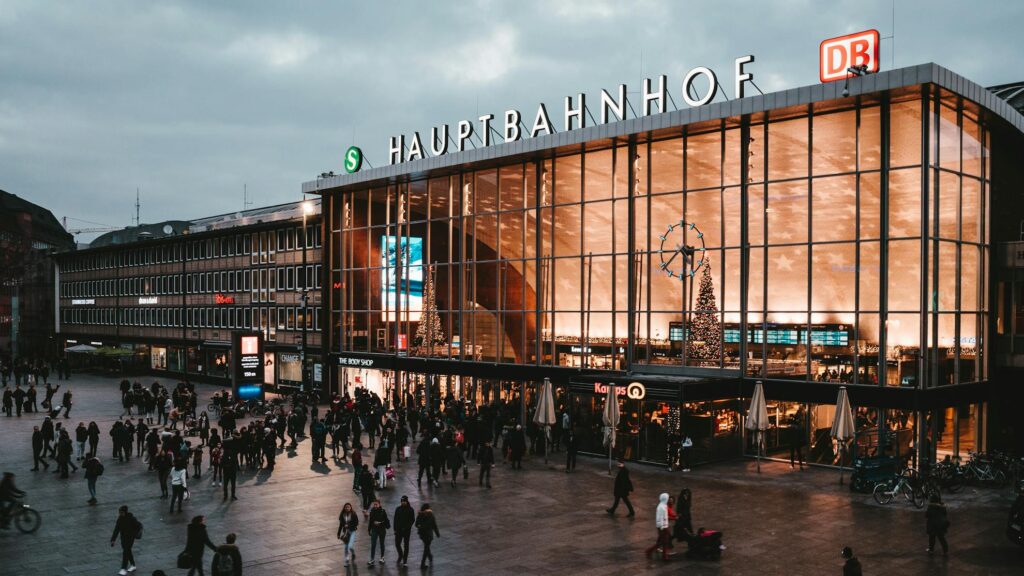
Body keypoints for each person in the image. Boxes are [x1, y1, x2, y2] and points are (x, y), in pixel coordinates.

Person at [110, 505, 141, 575]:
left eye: (121, 512)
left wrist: (134, 534)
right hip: (123, 538)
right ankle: (133, 565)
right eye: (119, 512)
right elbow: (116, 530)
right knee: (128, 551)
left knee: (126, 552)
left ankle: (123, 568)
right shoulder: (120, 519)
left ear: (125, 512)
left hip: (130, 538)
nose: (120, 514)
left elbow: (138, 526)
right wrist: (113, 539)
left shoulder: (131, 518)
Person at [645, 493, 672, 561]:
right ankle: (649, 550)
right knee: (663, 541)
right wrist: (662, 527)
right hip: (662, 527)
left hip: (664, 526)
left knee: (665, 541)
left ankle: (664, 555)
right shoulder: (661, 507)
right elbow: (659, 518)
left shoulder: (664, 506)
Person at [415, 503, 440, 569]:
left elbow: (416, 524)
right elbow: (434, 524)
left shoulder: (420, 514)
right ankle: (422, 564)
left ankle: (430, 556)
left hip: (422, 535)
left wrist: (420, 526)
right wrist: (437, 533)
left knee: (426, 547)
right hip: (428, 535)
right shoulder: (431, 515)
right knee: (426, 548)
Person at [393, 495, 416, 567]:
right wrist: (395, 529)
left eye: (404, 501)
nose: (403, 503)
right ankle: (401, 555)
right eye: (402, 501)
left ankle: (405, 560)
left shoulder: (411, 509)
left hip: (406, 531)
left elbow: (412, 520)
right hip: (399, 530)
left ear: (407, 501)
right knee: (397, 544)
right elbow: (395, 520)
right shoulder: (398, 509)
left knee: (406, 545)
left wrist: (407, 527)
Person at [367, 498, 391, 565]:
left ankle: (382, 557)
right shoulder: (372, 511)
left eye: (376, 504)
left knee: (382, 543)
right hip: (374, 529)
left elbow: (386, 520)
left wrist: (380, 523)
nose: (375, 506)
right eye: (374, 504)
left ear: (379, 504)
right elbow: (370, 521)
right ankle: (372, 559)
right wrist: (369, 530)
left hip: (382, 529)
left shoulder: (383, 511)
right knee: (373, 544)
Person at [337, 502, 359, 567]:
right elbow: (341, 525)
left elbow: (356, 523)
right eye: (346, 507)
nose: (347, 508)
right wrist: (338, 533)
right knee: (346, 547)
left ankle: (353, 553)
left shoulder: (353, 514)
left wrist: (348, 525)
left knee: (350, 546)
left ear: (350, 507)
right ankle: (347, 561)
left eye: (348, 507)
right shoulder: (342, 515)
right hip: (345, 533)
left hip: (352, 531)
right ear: (344, 508)